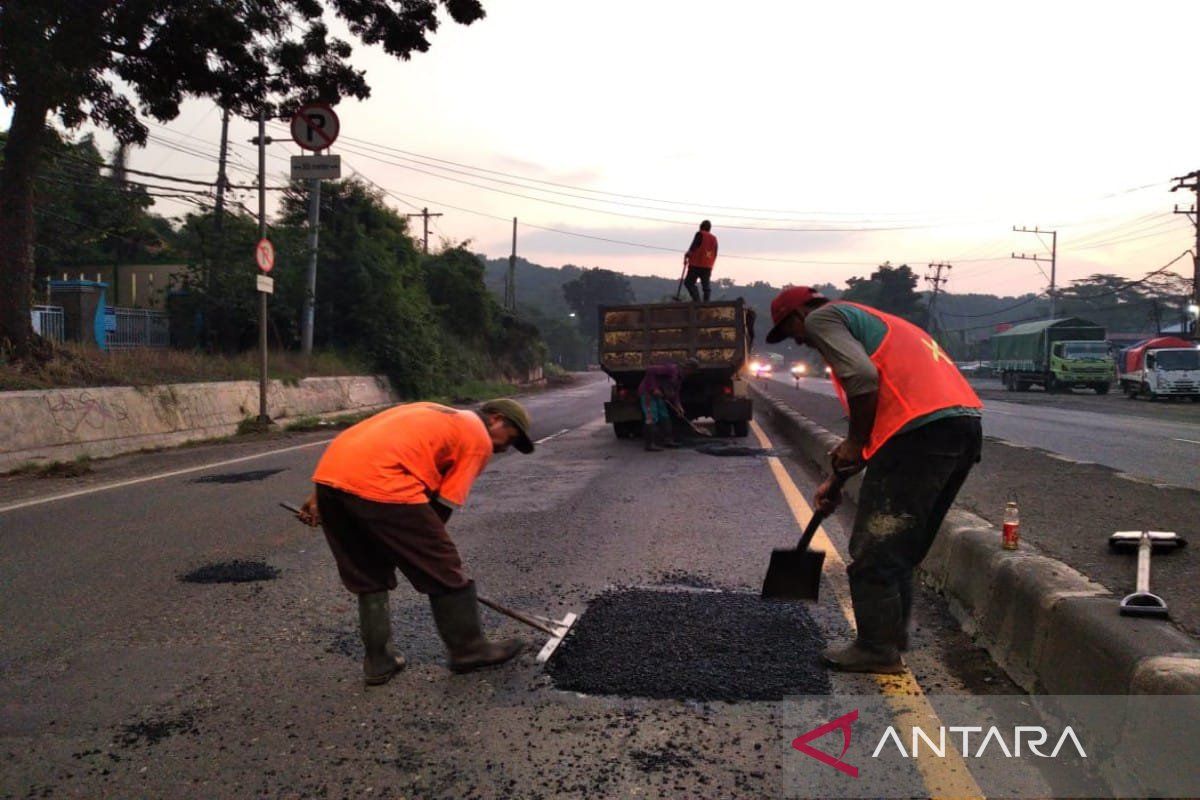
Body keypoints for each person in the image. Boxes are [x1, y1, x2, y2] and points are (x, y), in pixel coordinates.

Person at [765, 287, 983, 674]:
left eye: (792, 330)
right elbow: (880, 430)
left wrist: (852, 442)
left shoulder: (824, 318)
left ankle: (877, 649)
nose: (801, 340)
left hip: (920, 435)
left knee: (874, 548)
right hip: (959, 429)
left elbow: (862, 379)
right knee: (900, 547)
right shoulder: (878, 323)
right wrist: (834, 483)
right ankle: (891, 640)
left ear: (801, 312)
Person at [296, 398, 535, 685]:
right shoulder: (478, 438)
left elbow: (365, 441)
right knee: (442, 564)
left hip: (331, 479)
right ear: (496, 419)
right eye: (510, 439)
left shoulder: (433, 411)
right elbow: (442, 506)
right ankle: (469, 650)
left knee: (367, 570)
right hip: (381, 480)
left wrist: (320, 496)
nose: (503, 448)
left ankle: (379, 660)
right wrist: (420, 557)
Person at [638, 357, 699, 451]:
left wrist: (679, 406)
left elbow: (675, 393)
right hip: (648, 394)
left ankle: (668, 440)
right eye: (692, 370)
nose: (691, 373)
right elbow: (650, 370)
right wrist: (654, 388)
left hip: (660, 396)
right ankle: (649, 445)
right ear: (688, 368)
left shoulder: (681, 376)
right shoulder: (671, 369)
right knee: (651, 417)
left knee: (664, 416)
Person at [683, 220, 718, 303]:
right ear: (709, 228)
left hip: (696, 264)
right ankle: (706, 303)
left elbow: (693, 246)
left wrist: (687, 255)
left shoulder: (700, 234)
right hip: (708, 266)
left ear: (701, 226)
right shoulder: (714, 239)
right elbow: (715, 253)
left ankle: (697, 301)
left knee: (689, 283)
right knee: (706, 287)